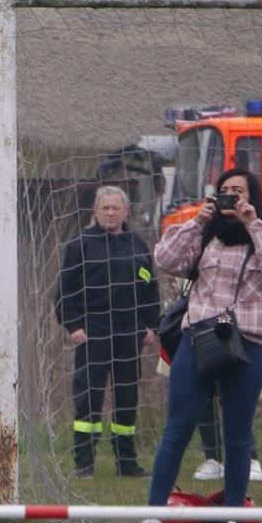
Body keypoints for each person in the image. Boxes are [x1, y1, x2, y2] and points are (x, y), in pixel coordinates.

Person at [137, 168, 262, 523]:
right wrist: (198, 219)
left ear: (251, 197)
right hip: (199, 341)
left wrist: (252, 222)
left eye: (238, 192)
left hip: (247, 346)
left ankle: (232, 519)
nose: (231, 198)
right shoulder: (204, 237)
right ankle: (154, 515)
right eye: (224, 192)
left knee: (238, 436)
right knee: (177, 429)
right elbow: (164, 258)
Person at [54, 186, 160, 478]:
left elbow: (150, 286)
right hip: (94, 331)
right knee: (88, 399)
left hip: (130, 334)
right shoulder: (81, 244)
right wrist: (72, 324)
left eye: (116, 208)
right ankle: (84, 463)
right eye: (105, 208)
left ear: (126, 212)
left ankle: (126, 462)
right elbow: (65, 290)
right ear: (96, 212)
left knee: (127, 398)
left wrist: (152, 324)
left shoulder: (137, 244)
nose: (111, 213)